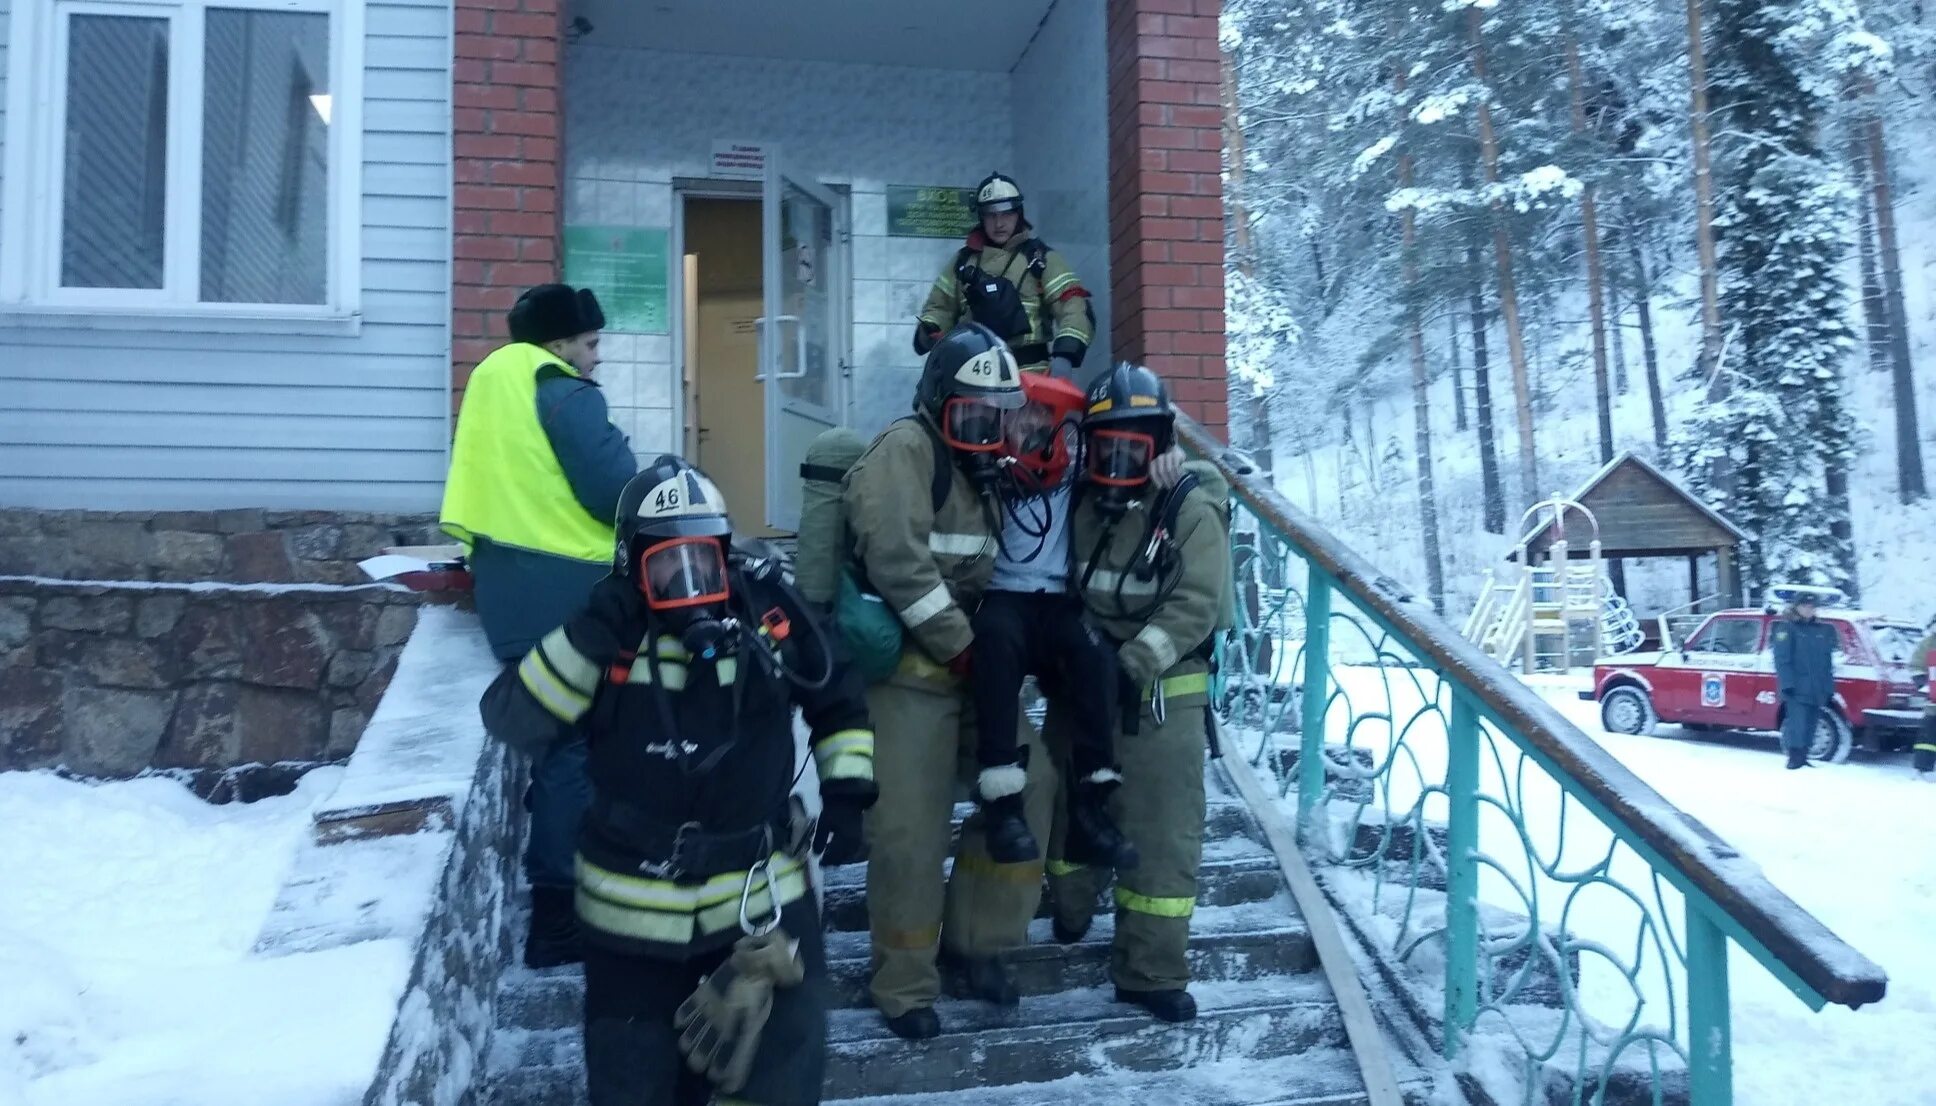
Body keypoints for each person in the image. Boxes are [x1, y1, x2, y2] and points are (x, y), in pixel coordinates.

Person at [479, 455, 877, 1106]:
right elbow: (514, 721)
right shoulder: (608, 635)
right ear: (632, 566)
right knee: (634, 1086)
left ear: (726, 554)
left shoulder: (766, 616)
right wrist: (591, 633)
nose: (687, 581)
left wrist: (848, 793)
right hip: (630, 921)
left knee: (779, 1083)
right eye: (665, 563)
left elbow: (839, 697)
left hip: (761, 904)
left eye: (703, 560)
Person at [842, 322, 1056, 1040]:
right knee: (909, 829)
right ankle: (903, 984)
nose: (986, 433)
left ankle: (980, 943)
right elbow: (898, 562)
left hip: (971, 677)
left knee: (1035, 785)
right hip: (909, 675)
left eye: (997, 421)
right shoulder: (906, 451)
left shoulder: (986, 470)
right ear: (938, 401)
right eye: (971, 417)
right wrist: (966, 648)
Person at [441, 282, 639, 967]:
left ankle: (563, 896)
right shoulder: (562, 392)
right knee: (577, 747)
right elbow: (617, 487)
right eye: (590, 343)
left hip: (504, 585)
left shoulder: (493, 383)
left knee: (559, 741)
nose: (596, 358)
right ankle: (557, 919)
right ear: (559, 343)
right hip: (568, 592)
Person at [1043, 363, 1229, 1025]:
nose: (1118, 458)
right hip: (1081, 690)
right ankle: (1069, 910)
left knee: (1159, 835)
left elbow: (1197, 604)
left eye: (1134, 444)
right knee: (1069, 810)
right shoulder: (1073, 502)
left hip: (1160, 697)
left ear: (1159, 444)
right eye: (1105, 444)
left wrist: (1132, 663)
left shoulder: (1187, 507)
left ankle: (1149, 972)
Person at [967, 371, 1136, 872]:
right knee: (994, 645)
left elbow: (1136, 461)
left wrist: (1178, 462)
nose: (1031, 429)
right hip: (1003, 598)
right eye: (1021, 420)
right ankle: (1002, 802)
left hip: (1059, 600)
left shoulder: (1078, 469)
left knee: (1095, 656)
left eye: (1042, 418)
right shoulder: (986, 470)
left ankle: (1092, 802)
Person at [914, 172, 1095, 377]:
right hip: (973, 377)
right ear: (981, 217)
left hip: (1032, 376)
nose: (999, 223)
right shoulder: (962, 262)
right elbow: (940, 307)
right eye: (991, 214)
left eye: (1006, 213)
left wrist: (1065, 355)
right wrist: (929, 330)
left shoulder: (1040, 258)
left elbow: (1074, 305)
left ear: (1019, 213)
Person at [1770, 594, 1838, 770]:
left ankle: (1804, 756)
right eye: (1805, 606)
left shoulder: (1820, 630)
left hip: (1817, 688)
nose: (1809, 610)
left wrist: (1828, 687)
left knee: (1811, 724)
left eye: (1812, 607)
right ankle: (1794, 757)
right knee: (1797, 724)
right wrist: (1787, 684)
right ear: (1797, 607)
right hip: (1797, 687)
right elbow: (1782, 659)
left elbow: (1826, 662)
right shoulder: (1787, 628)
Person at [1913, 616, 1936, 782]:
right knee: (1928, 737)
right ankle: (1923, 769)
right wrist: (1924, 685)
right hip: (1934, 703)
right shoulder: (1928, 644)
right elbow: (1915, 666)